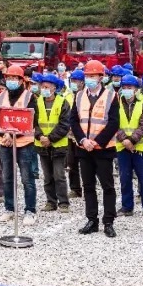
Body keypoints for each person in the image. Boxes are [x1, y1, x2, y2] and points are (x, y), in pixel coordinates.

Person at [70, 60, 121, 237]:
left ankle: (109, 221)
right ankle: (92, 219)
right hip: (84, 148)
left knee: (107, 186)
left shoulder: (111, 96)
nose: (90, 79)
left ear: (101, 77)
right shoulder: (78, 96)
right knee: (88, 185)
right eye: (87, 76)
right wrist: (83, 140)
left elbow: (114, 123)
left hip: (103, 148)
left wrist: (97, 141)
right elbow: (74, 121)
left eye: (93, 76)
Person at [0, 66, 38, 226]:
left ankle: (30, 210)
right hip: (5, 144)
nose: (11, 81)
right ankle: (9, 208)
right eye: (9, 78)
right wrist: (4, 135)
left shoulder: (29, 97)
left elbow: (32, 120)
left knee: (27, 179)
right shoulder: (1, 96)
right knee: (7, 178)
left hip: (24, 144)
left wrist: (13, 134)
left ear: (22, 80)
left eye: (14, 78)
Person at [114, 74, 143, 218]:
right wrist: (124, 140)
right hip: (122, 148)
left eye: (130, 87)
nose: (127, 90)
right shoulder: (115, 104)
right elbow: (113, 123)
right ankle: (127, 207)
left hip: (140, 148)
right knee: (124, 178)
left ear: (136, 89)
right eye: (124, 87)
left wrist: (131, 140)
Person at [35, 74, 72, 214]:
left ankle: (63, 202)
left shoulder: (63, 102)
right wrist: (40, 136)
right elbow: (33, 123)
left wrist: (50, 138)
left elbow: (64, 124)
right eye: (42, 86)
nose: (43, 89)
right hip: (41, 144)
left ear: (54, 88)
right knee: (47, 176)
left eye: (46, 87)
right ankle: (51, 202)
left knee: (59, 175)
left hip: (58, 145)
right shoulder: (37, 102)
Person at [65, 69, 85, 200]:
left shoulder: (86, 96)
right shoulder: (66, 96)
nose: (74, 83)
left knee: (85, 163)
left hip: (83, 135)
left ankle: (89, 186)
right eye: (72, 81)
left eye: (76, 81)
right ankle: (75, 188)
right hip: (69, 135)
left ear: (82, 83)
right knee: (71, 163)